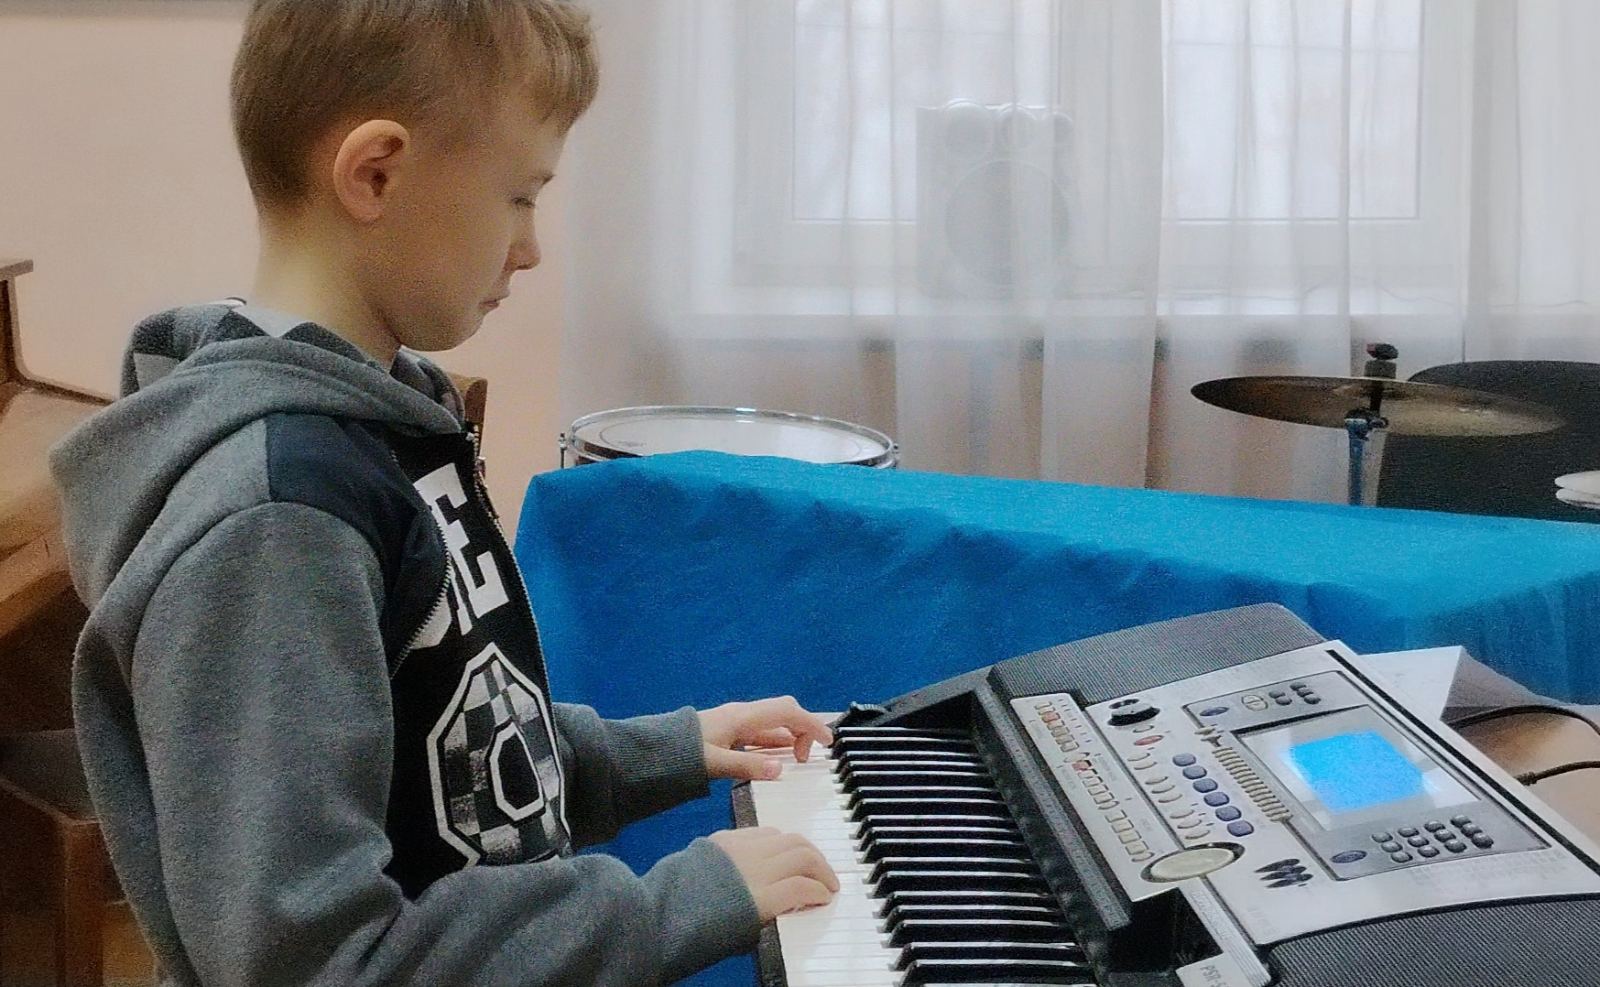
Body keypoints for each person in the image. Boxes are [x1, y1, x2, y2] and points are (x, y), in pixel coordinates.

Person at [49, 2, 839, 984]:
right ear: (376, 173)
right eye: (519, 197)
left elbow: (446, 755)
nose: (531, 247)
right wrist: (663, 907)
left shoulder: (392, 414)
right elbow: (320, 961)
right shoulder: (280, 519)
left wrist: (665, 749)